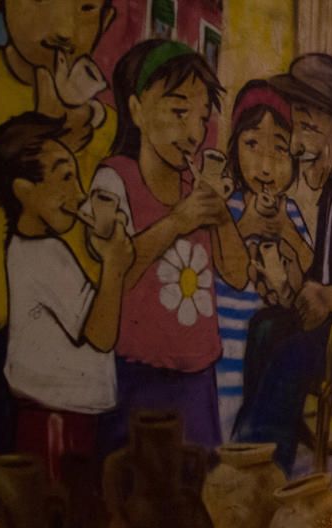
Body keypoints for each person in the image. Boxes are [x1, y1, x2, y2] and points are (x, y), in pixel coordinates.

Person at [233, 53, 332, 476]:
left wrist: (323, 296)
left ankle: (264, 463)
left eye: (307, 128)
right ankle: (256, 441)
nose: (298, 145)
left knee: (289, 356)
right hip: (329, 325)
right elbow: (317, 270)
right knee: (264, 328)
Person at [91, 39, 247, 455]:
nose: (195, 133)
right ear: (137, 110)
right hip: (136, 376)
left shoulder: (193, 187)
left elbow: (237, 273)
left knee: (194, 489)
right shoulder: (114, 181)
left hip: (198, 377)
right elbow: (112, 274)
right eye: (179, 112)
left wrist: (220, 216)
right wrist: (178, 222)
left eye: (201, 117)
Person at [0, 0, 118, 463]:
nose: (63, 27)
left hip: (62, 364)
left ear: (107, 20)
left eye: (84, 8)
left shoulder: (99, 119)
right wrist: (49, 128)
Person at [0, 112, 133, 479]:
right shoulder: (45, 256)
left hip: (66, 415)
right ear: (24, 190)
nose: (79, 193)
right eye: (65, 177)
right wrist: (114, 265)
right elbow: (100, 336)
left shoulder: (32, 249)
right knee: (63, 513)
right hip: (57, 422)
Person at [214, 79, 312, 440]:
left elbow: (308, 279)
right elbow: (234, 273)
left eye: (279, 149)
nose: (266, 165)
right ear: (234, 147)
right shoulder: (227, 207)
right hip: (225, 345)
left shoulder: (291, 213)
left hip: (271, 354)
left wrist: (286, 230)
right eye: (252, 144)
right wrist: (249, 224)